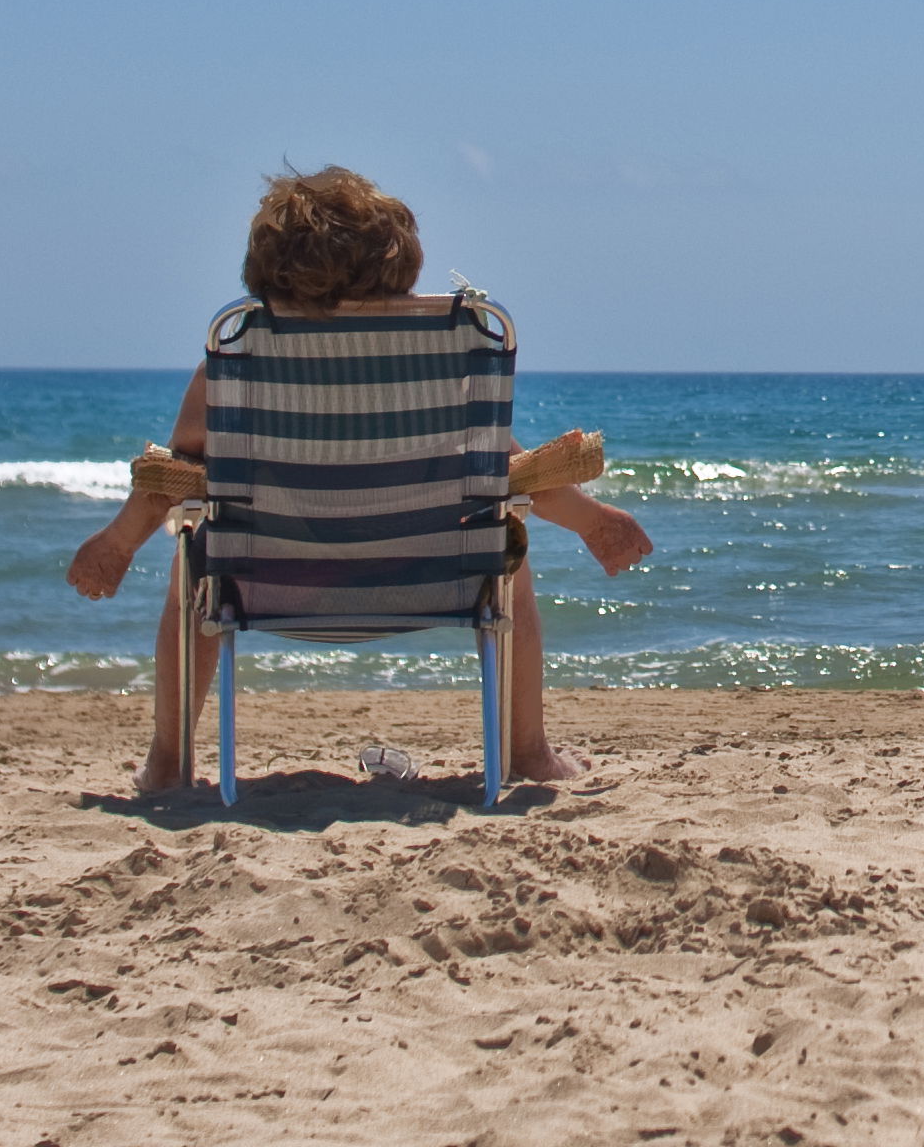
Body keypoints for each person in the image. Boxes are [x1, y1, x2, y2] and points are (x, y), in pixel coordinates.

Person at [64, 166, 649, 794]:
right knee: (503, 548)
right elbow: (509, 472)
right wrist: (595, 521)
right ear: (401, 262)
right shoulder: (448, 357)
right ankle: (528, 754)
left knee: (195, 566)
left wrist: (118, 542)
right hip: (428, 582)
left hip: (271, 587)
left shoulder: (236, 360)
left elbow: (174, 481)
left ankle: (168, 765)